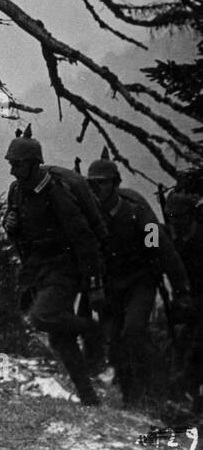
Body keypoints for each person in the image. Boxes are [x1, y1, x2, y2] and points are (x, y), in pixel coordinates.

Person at [2, 128, 104, 405]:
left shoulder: (55, 192)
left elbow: (84, 238)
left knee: (42, 317)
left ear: (34, 163)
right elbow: (19, 230)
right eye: (10, 163)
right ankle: (89, 398)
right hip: (38, 268)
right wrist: (10, 227)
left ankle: (94, 330)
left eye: (17, 164)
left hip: (64, 268)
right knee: (61, 340)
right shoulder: (17, 191)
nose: (12, 170)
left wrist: (94, 284)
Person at [84, 154, 192, 407]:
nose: (96, 189)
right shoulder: (89, 216)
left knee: (133, 330)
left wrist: (180, 290)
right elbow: (86, 254)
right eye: (92, 184)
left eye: (101, 183)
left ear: (115, 184)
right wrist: (94, 287)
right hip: (110, 286)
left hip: (139, 282)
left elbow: (162, 250)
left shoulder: (137, 212)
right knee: (115, 342)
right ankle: (130, 396)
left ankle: (154, 390)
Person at [164, 182, 203, 412]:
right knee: (176, 343)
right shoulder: (167, 234)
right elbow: (149, 241)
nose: (175, 222)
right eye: (171, 217)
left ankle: (190, 391)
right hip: (185, 298)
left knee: (197, 345)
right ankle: (178, 393)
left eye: (179, 217)